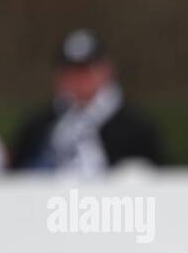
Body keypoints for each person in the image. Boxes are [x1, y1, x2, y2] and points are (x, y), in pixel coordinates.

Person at [11, 29, 164, 173]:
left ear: (106, 71)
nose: (79, 80)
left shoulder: (135, 127)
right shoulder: (39, 126)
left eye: (86, 71)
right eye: (71, 72)